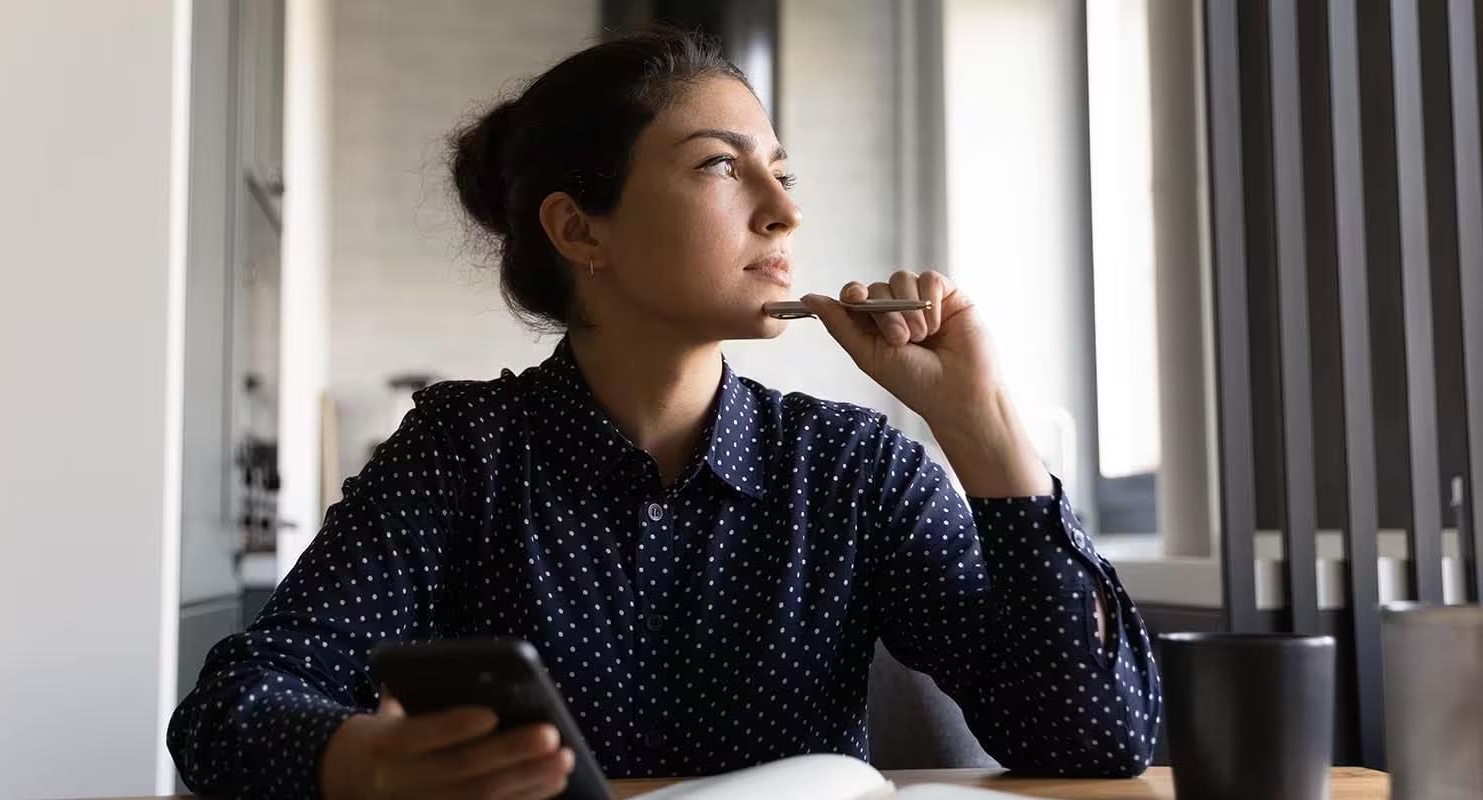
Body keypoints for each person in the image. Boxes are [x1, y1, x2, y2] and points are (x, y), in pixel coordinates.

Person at [168, 27, 1161, 800]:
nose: (783, 209)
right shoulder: (463, 452)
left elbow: (1100, 739)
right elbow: (229, 708)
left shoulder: (851, 465)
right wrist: (362, 760)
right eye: (721, 166)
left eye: (780, 170)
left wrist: (980, 422)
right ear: (578, 227)